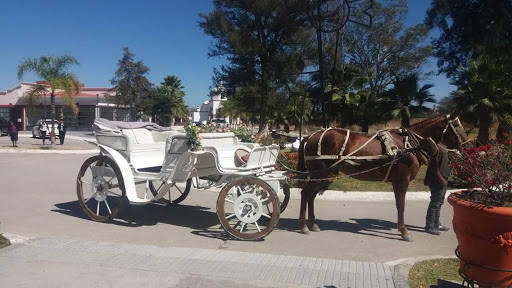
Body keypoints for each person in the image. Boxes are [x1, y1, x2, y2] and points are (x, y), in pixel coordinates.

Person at [424, 143, 451, 235]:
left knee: (439, 202)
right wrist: (441, 179)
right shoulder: (435, 148)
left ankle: (436, 223)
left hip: (444, 179)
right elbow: (433, 166)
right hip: (437, 180)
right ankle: (429, 226)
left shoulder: (444, 146)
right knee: (435, 203)